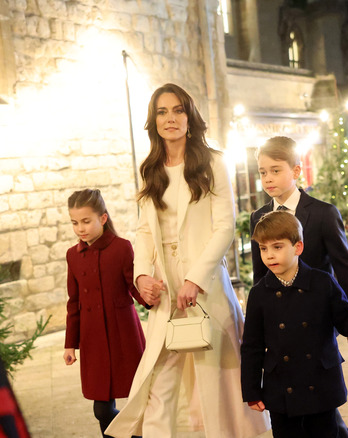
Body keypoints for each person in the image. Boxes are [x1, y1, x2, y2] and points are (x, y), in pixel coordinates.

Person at [105, 83, 270, 437]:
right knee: (160, 377)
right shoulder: (149, 168)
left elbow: (225, 226)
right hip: (164, 285)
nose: (170, 118)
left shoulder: (213, 162)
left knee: (214, 378)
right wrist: (141, 277)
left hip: (205, 283)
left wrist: (195, 278)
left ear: (189, 117)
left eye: (177, 110)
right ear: (154, 120)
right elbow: (145, 230)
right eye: (162, 112)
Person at [250, 136, 348, 435]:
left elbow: (344, 267)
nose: (267, 178)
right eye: (262, 172)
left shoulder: (323, 213)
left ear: (296, 171)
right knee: (291, 391)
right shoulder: (257, 217)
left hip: (317, 316)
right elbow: (262, 277)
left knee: (319, 387)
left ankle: (339, 432)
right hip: (280, 321)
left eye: (275, 170)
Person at [241, 211, 348, 437]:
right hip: (281, 387)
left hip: (320, 383)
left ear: (298, 247)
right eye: (263, 248)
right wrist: (251, 390)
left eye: (277, 247)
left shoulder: (322, 282)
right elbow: (252, 347)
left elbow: (345, 323)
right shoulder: (259, 293)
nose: (269, 255)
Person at [64, 189, 147, 438]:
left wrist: (153, 299)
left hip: (124, 335)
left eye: (86, 221)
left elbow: (134, 286)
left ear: (102, 218)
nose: (80, 228)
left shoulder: (122, 248)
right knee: (101, 409)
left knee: (137, 401)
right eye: (75, 223)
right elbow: (73, 301)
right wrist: (70, 345)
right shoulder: (72, 255)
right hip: (93, 340)